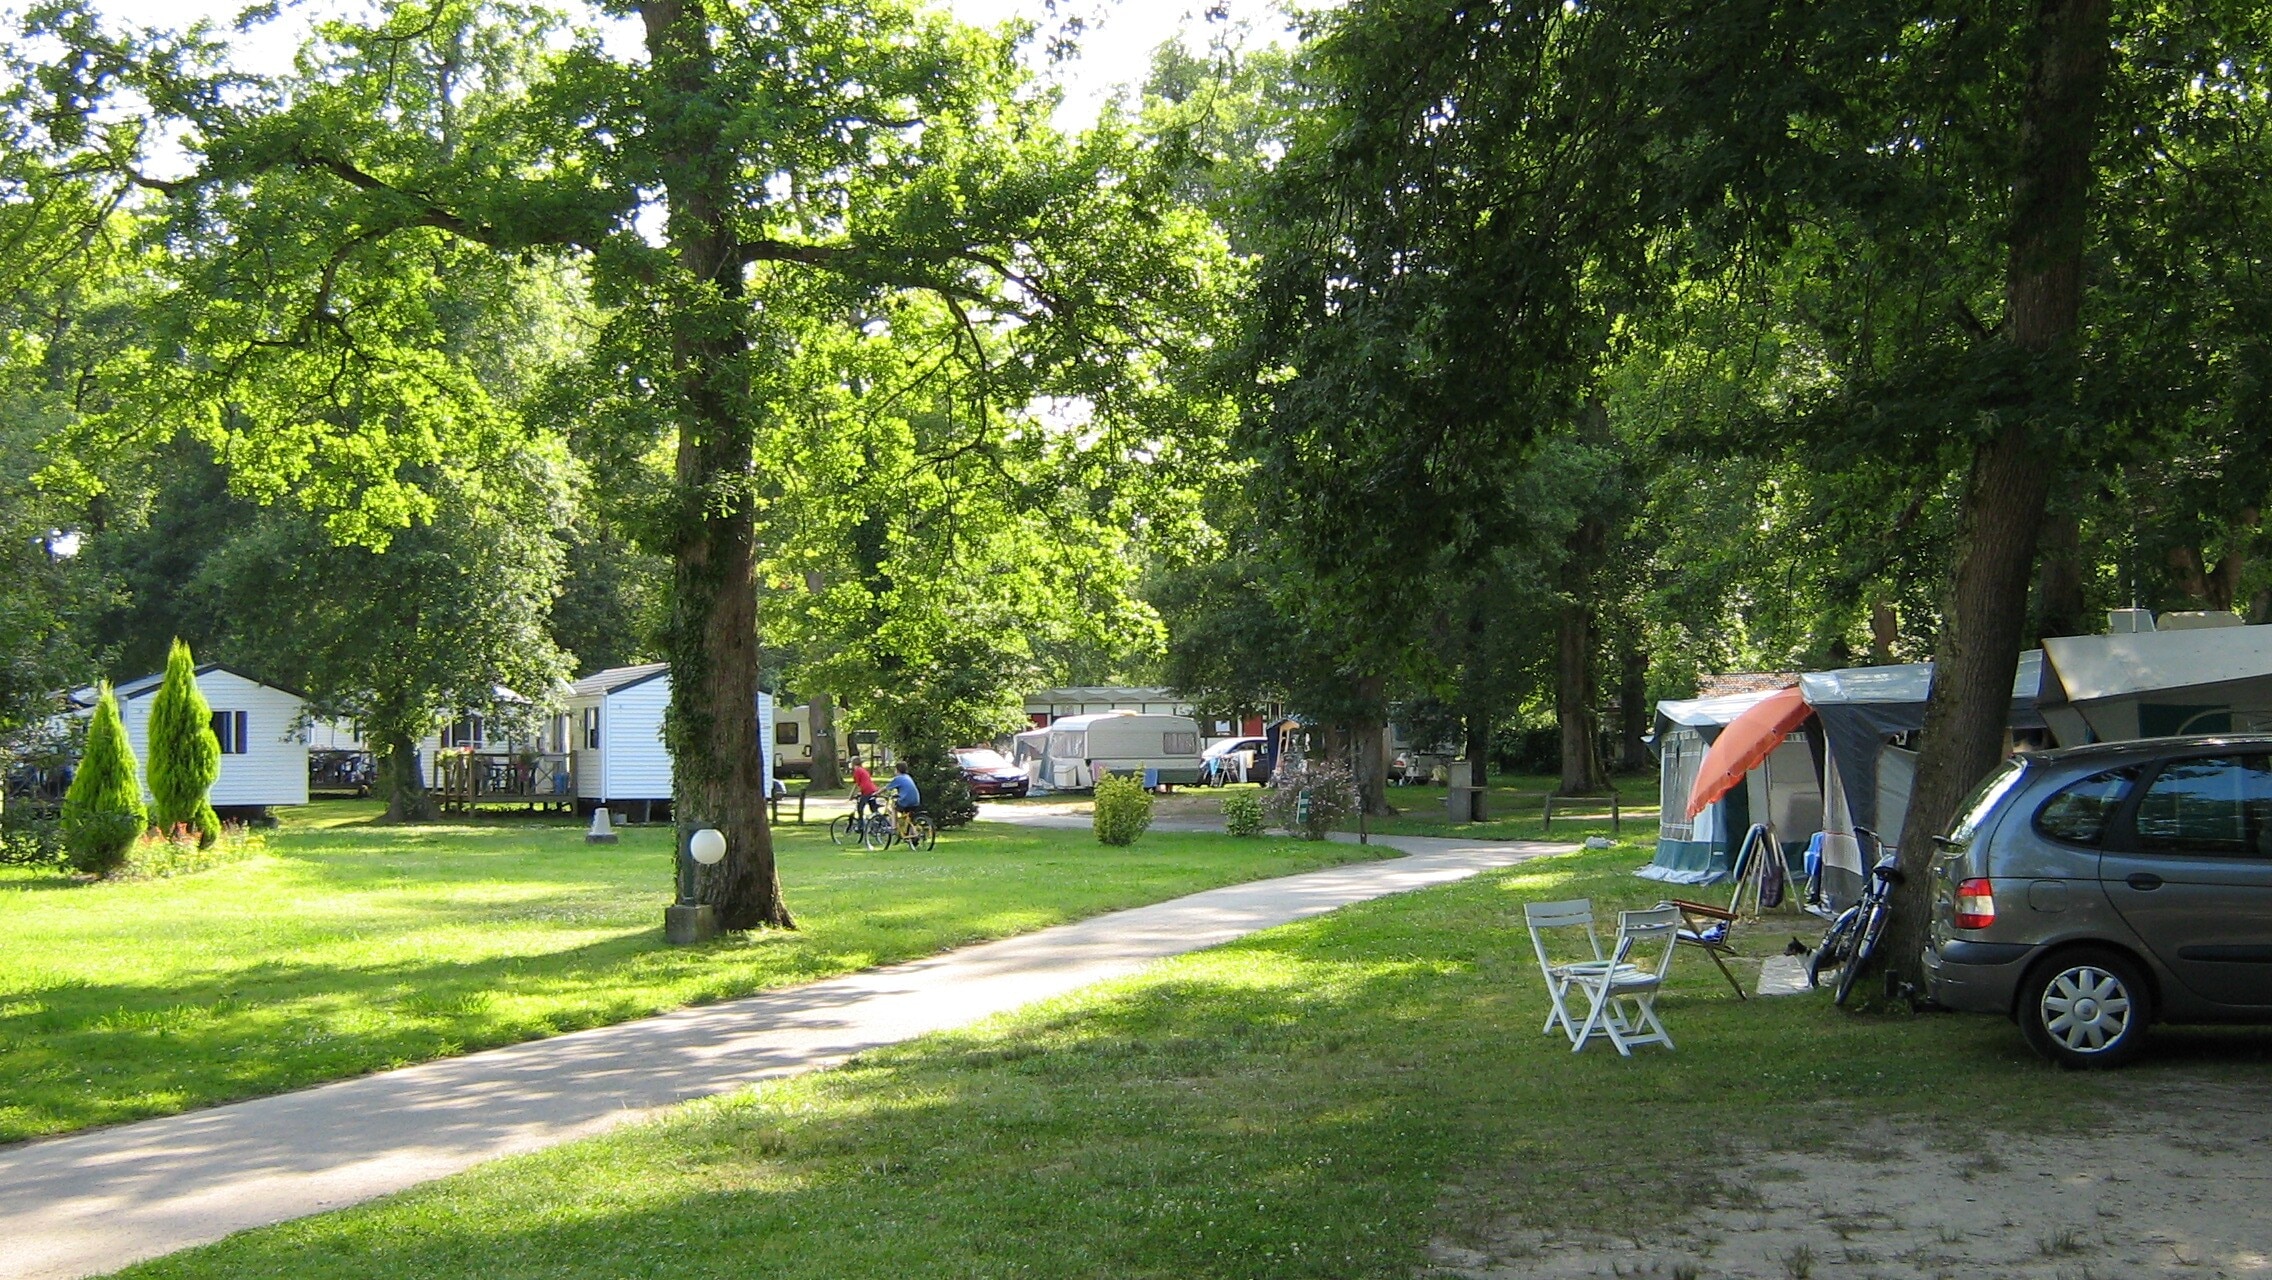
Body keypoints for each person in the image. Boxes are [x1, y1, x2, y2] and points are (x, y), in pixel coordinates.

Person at [850, 755, 881, 820]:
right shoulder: (862, 770)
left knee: (860, 808)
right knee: (873, 808)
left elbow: (856, 785)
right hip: (872, 790)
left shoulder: (857, 770)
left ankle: (861, 826)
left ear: (853, 763)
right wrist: (859, 793)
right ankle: (881, 822)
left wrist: (851, 795)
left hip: (867, 791)